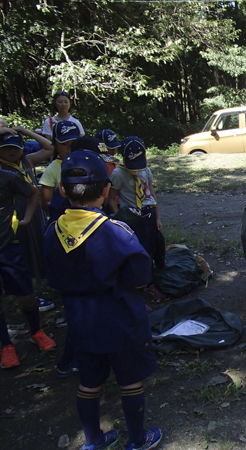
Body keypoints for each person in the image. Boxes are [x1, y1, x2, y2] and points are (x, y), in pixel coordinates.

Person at [43, 150, 163, 450]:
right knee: (130, 381)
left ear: (61, 190)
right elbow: (141, 276)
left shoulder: (51, 233)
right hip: (122, 321)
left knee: (88, 383)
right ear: (106, 190)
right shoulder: (117, 232)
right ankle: (137, 440)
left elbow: (52, 279)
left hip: (81, 322)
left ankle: (94, 441)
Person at [0, 166, 56, 369]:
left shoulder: (7, 178)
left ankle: (36, 331)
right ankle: (6, 345)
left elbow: (33, 192)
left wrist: (26, 219)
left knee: (25, 294)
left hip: (8, 246)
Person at [0, 128, 55, 311]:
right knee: (21, 254)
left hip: (34, 213)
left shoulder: (26, 162)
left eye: (15, 148)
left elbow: (49, 148)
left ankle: (42, 285)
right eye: (6, 148)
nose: (11, 152)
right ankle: (27, 293)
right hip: (14, 217)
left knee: (38, 246)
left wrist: (24, 130)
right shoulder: (2, 168)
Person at [107, 136, 164, 301]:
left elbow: (152, 195)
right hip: (133, 216)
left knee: (154, 247)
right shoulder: (118, 174)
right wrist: (119, 219)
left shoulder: (145, 170)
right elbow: (111, 198)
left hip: (149, 213)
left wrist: (158, 217)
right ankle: (143, 284)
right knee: (140, 250)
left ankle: (151, 278)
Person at [39, 120, 81, 221]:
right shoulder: (52, 169)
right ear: (55, 145)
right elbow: (45, 203)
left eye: (73, 143)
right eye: (64, 144)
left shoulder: (87, 163)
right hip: (64, 222)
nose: (69, 149)